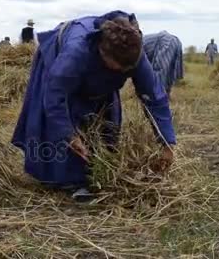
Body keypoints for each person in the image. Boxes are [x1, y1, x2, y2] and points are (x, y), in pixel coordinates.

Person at [12, 11, 176, 201]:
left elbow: (155, 97)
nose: (124, 72)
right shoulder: (76, 53)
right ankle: (68, 180)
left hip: (99, 84)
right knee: (65, 132)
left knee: (105, 130)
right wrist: (70, 136)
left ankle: (94, 172)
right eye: (119, 68)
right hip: (60, 69)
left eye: (128, 70)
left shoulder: (133, 53)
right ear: (102, 51)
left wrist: (167, 142)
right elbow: (55, 97)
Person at [142, 31, 184, 95]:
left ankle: (158, 97)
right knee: (169, 71)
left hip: (166, 42)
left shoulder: (134, 45)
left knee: (160, 71)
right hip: (174, 41)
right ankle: (164, 96)